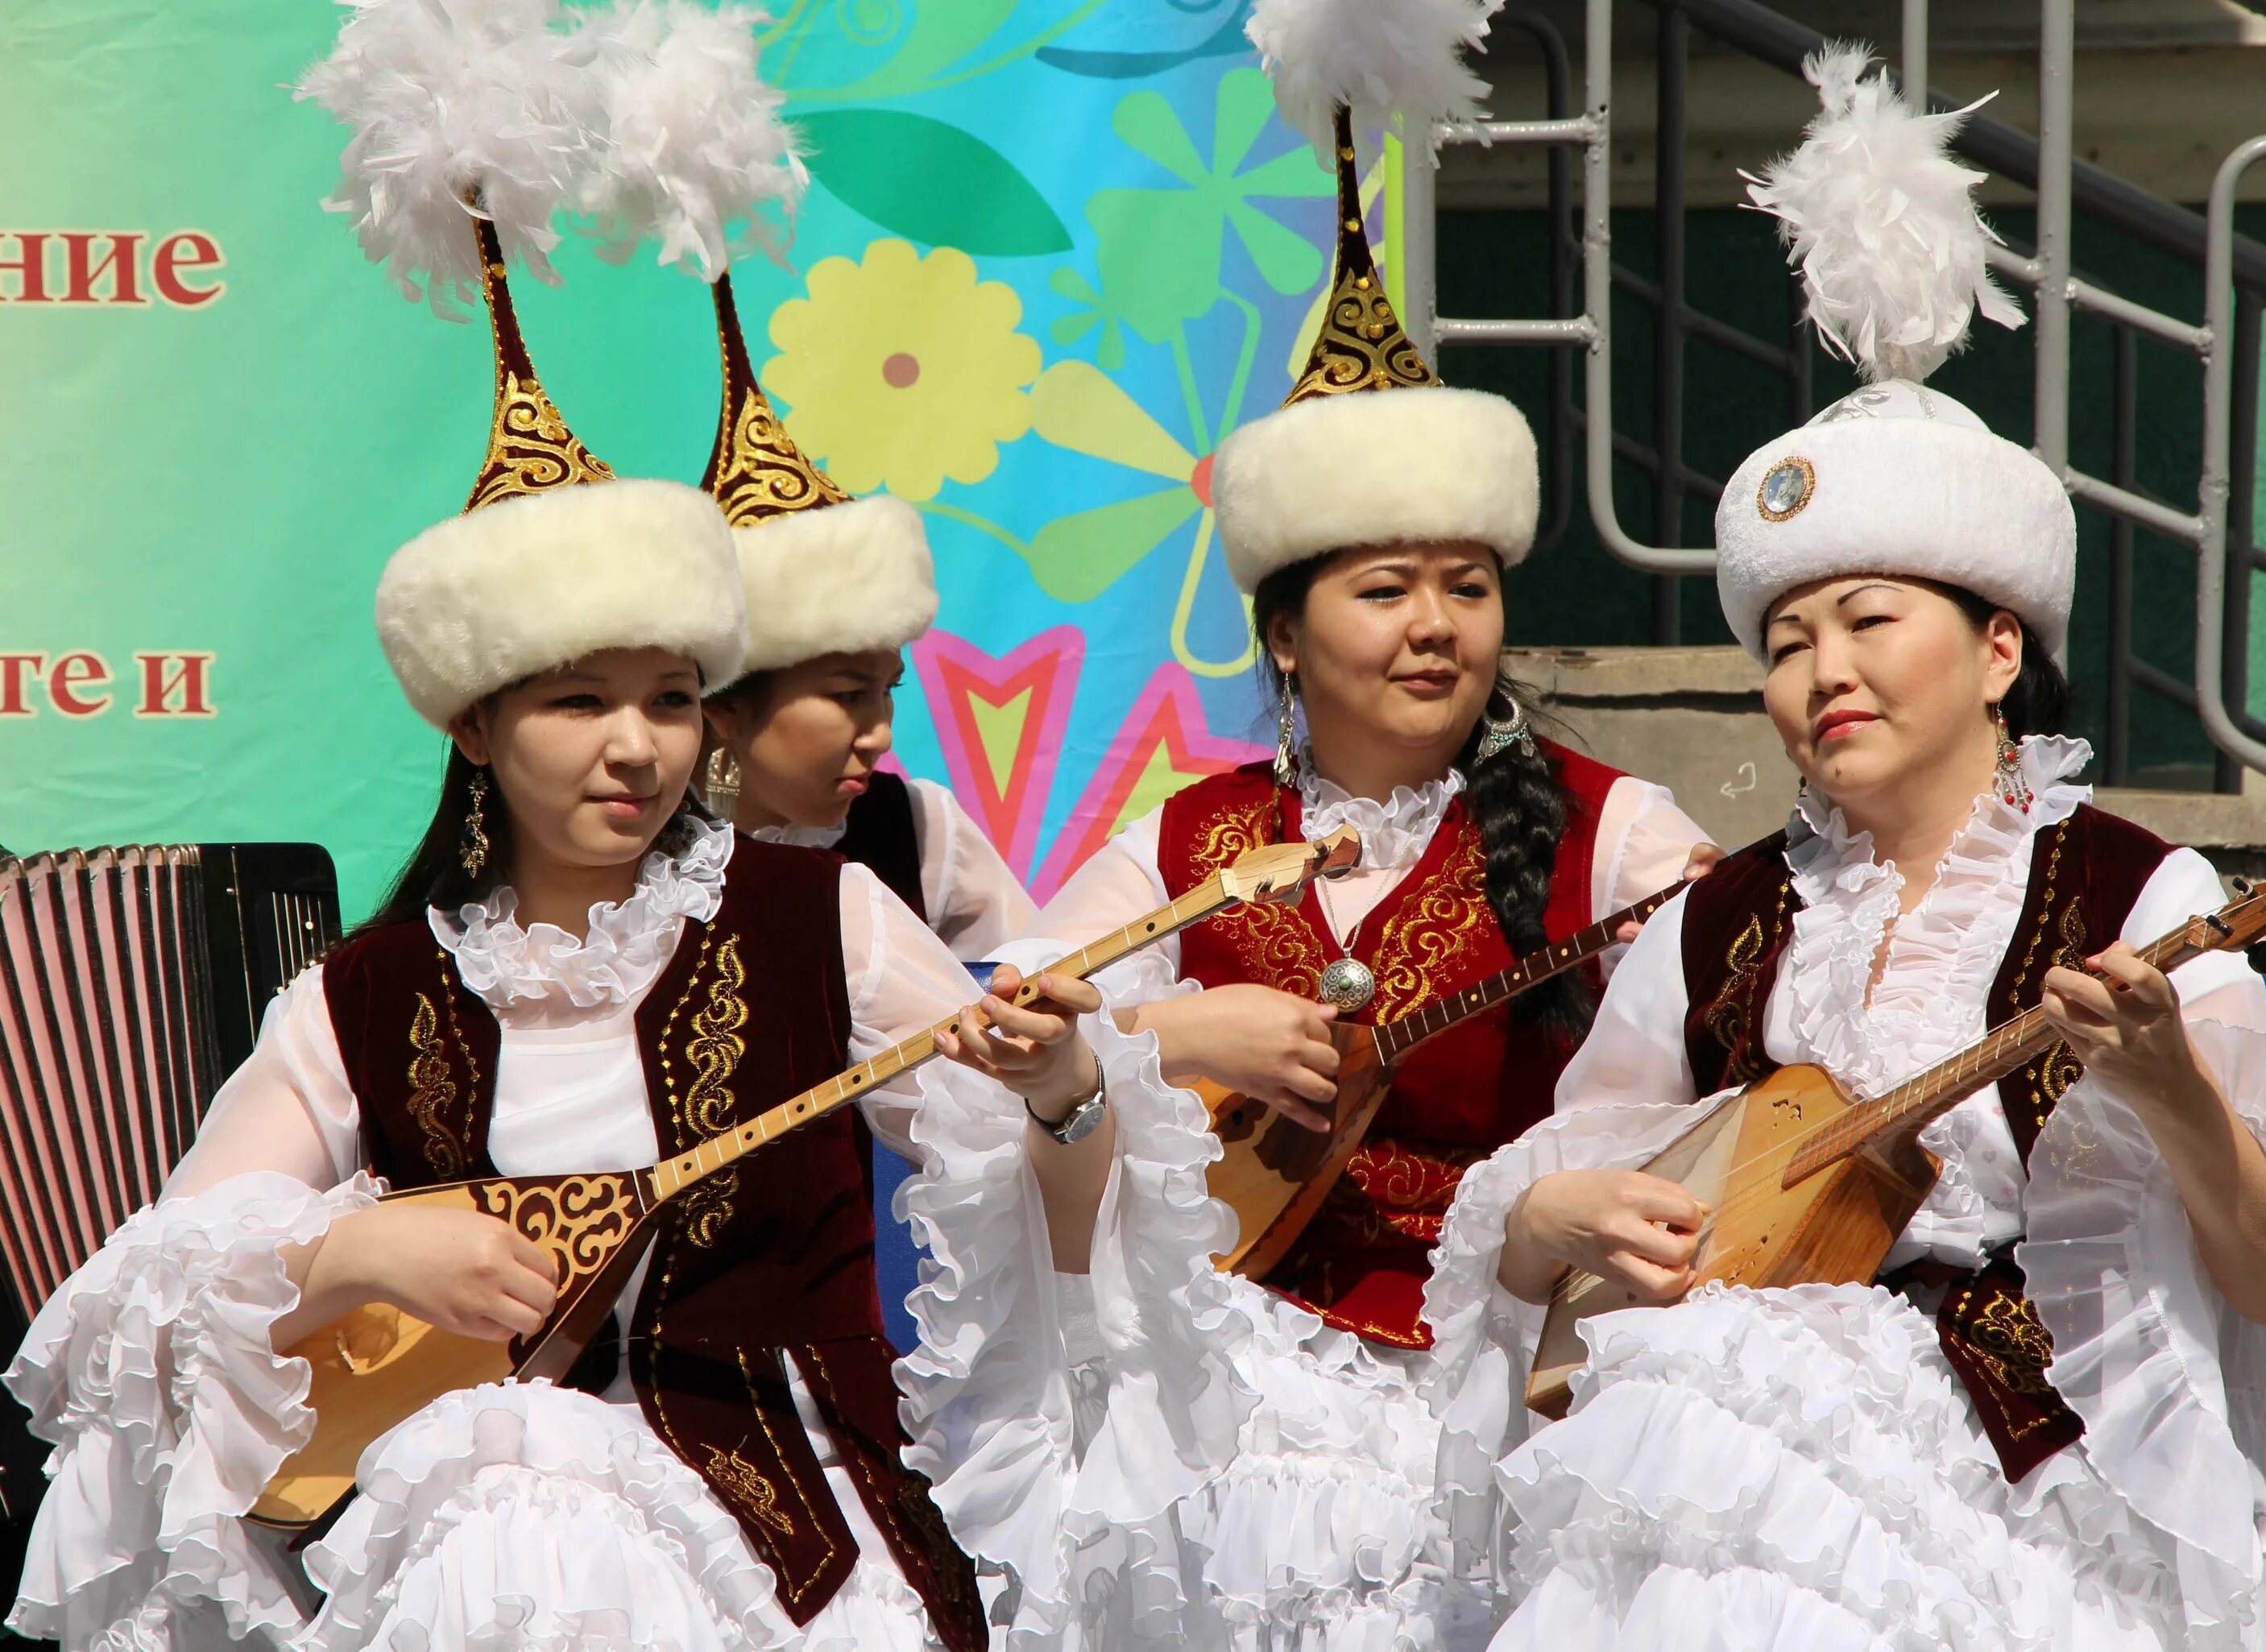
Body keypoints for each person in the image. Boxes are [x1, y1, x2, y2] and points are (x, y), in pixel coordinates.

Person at [4, 9, 1194, 1649]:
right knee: (517, 1478)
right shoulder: (363, 996)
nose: (634, 745)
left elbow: (1060, 1214)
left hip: (795, 1532)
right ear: (475, 724)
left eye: (670, 693)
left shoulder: (817, 922)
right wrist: (374, 1250)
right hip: (473, 1537)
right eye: (576, 700)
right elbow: (143, 1302)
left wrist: (1064, 1090)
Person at [1420, 47, 2266, 1650]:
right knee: (1692, 1420)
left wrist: (2164, 1080)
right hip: (1729, 1410)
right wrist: (1555, 1223)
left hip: (2024, 1460)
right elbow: (1554, 1194)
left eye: (1870, 618)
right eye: (1790, 635)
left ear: (2001, 648)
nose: (1824, 672)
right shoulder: (1715, 918)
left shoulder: (2135, 892)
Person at [907, 26, 1713, 1643]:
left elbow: (1731, 1079)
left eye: (1467, 586)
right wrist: (1173, 1021)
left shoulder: (1620, 836)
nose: (1435, 627)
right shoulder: (1189, 837)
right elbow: (989, 1053)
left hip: (1502, 1360)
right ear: (1282, 632)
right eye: (1383, 587)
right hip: (1245, 1370)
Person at [692, 272, 1034, 962]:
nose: (879, 732)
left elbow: (1045, 988)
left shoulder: (919, 828)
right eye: (849, 694)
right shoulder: (638, 857)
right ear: (726, 705)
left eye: (888, 690)